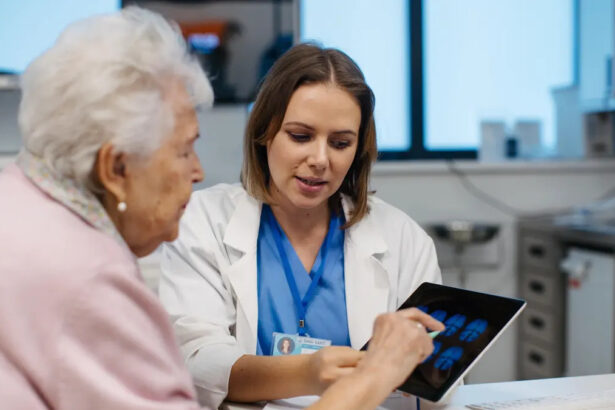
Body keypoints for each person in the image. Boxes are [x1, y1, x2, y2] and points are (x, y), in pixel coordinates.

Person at [0, 7, 444, 410]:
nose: (197, 172)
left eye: (341, 142)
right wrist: (371, 375)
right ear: (116, 167)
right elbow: (198, 363)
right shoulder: (90, 281)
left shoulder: (20, 209)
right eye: (184, 150)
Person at [159, 43, 443, 407]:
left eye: (340, 143)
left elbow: (437, 377)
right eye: (300, 136)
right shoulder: (204, 222)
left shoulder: (403, 238)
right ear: (265, 132)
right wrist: (307, 373)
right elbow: (196, 363)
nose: (320, 159)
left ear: (358, 149)